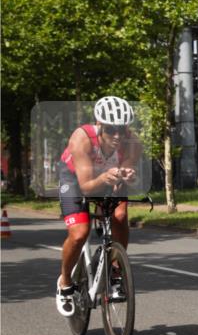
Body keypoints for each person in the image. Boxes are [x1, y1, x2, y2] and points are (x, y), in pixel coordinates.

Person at [56, 96, 141, 316]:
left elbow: (126, 174)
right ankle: (65, 282)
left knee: (120, 216)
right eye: (111, 130)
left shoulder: (133, 143)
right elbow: (86, 187)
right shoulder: (82, 139)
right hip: (76, 180)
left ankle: (114, 271)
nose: (117, 136)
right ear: (99, 124)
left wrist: (128, 176)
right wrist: (105, 179)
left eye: (122, 130)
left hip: (107, 179)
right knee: (79, 233)